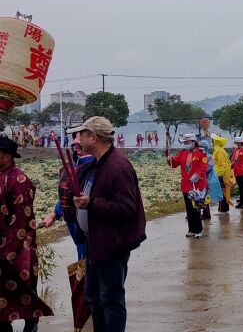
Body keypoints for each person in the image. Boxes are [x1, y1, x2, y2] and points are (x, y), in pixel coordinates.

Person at [68, 116, 146, 332]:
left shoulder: (117, 167)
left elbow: (126, 208)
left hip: (112, 245)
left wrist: (91, 203)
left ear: (93, 137)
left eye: (81, 134)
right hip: (96, 243)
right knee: (94, 296)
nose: (78, 138)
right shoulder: (97, 164)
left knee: (111, 299)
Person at [0, 136, 52, 332]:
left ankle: (32, 325)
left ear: (7, 156)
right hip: (2, 244)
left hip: (19, 247)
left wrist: (7, 251)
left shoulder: (20, 181)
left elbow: (21, 221)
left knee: (25, 292)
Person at [42, 133, 96, 260]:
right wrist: (55, 213)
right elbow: (66, 196)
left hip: (88, 220)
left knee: (89, 257)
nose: (76, 145)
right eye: (75, 143)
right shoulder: (67, 168)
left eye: (79, 143)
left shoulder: (95, 168)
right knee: (81, 254)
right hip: (71, 218)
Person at [167, 133, 207, 238]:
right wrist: (170, 159)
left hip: (197, 185)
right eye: (184, 143)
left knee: (196, 208)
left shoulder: (201, 153)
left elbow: (204, 167)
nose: (186, 144)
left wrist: (197, 175)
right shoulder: (182, 153)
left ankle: (198, 230)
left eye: (187, 142)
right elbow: (175, 164)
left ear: (193, 142)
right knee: (189, 208)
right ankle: (191, 229)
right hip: (186, 185)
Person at [212, 134, 233, 214]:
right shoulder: (218, 150)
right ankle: (223, 208)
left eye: (212, 141)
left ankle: (223, 208)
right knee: (222, 191)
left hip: (221, 174)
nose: (212, 143)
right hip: (219, 173)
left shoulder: (219, 151)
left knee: (222, 191)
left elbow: (222, 164)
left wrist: (221, 174)